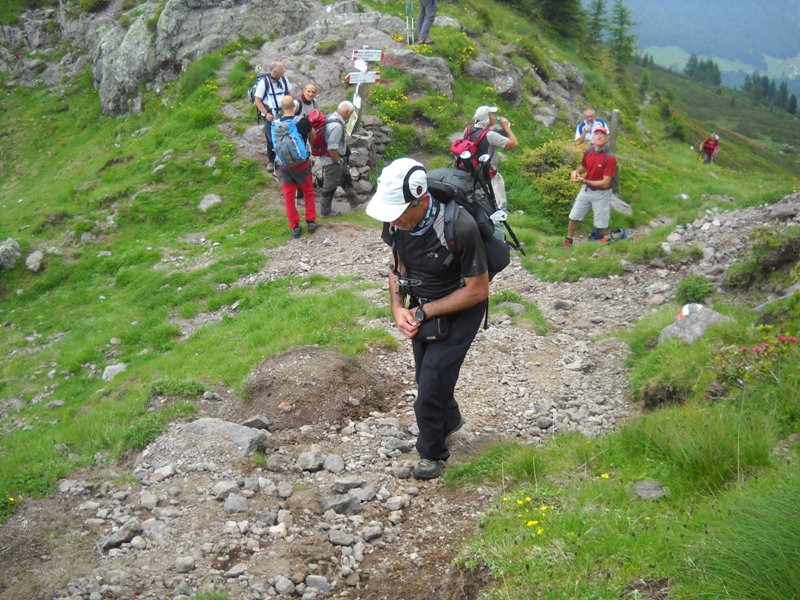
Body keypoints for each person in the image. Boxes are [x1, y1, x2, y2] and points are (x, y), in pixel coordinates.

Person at [365, 158, 489, 480]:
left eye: (397, 212)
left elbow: (477, 290)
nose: (391, 222)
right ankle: (450, 419)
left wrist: (424, 311)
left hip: (462, 309)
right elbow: (397, 267)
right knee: (426, 376)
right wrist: (397, 308)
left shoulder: (460, 227)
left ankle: (431, 454)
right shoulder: (396, 224)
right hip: (423, 303)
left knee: (432, 380)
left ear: (421, 200)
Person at [469, 106, 519, 237]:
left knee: (480, 211)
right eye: (492, 114)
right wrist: (507, 127)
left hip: (473, 177)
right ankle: (499, 244)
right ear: (487, 118)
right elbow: (514, 143)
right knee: (498, 212)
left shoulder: (468, 130)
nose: (494, 117)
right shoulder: (490, 136)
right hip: (490, 179)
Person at [564, 125, 617, 247]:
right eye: (596, 134)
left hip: (602, 193)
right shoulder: (589, 151)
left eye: (603, 135)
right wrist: (575, 172)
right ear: (592, 137)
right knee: (574, 216)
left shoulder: (610, 157)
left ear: (606, 139)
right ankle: (568, 240)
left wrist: (584, 181)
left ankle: (598, 243)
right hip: (586, 190)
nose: (599, 136)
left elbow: (606, 182)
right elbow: (584, 167)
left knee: (601, 223)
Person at [272, 96, 317, 239]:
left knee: (289, 196)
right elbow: (313, 137)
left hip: (284, 165)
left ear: (281, 106)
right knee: (308, 192)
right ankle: (310, 221)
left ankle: (295, 227)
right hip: (301, 165)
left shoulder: (275, 124)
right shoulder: (302, 121)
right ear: (295, 106)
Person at [318, 100, 361, 217]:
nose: (350, 116)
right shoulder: (336, 126)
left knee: (346, 179)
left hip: (338, 159)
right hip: (333, 160)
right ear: (347, 112)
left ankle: (355, 202)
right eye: (350, 114)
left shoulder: (332, 117)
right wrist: (336, 160)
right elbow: (332, 147)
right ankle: (325, 211)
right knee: (330, 186)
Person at [254, 61, 292, 173]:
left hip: (284, 113)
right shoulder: (264, 83)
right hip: (270, 115)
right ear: (276, 71)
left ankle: (286, 158)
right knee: (271, 138)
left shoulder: (284, 80)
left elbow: (289, 93)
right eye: (282, 68)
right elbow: (258, 100)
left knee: (287, 134)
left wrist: (287, 105)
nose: (284, 69)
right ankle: (271, 161)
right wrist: (266, 114)